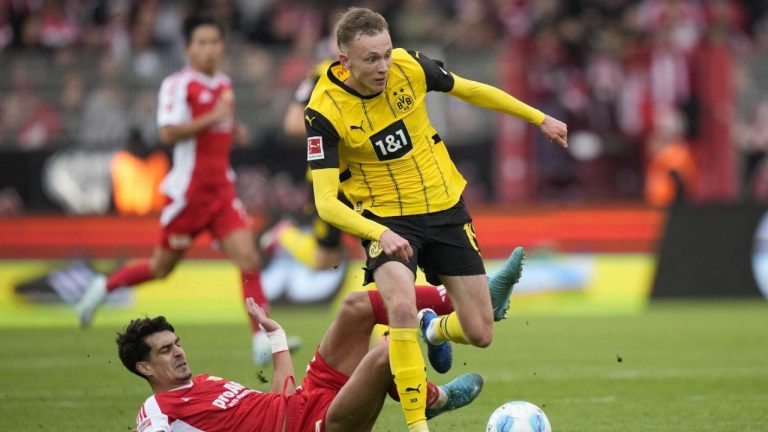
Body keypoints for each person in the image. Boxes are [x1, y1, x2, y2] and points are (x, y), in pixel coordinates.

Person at [304, 7, 567, 431]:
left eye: (386, 54)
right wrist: (378, 232)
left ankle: (435, 329)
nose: (384, 66)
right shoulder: (323, 110)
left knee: (480, 331)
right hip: (385, 218)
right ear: (344, 61)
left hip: (444, 205)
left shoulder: (409, 67)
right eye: (371, 59)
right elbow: (326, 203)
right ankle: (418, 424)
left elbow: (471, 90)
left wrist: (539, 118)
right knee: (401, 308)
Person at [77, 16, 284, 366]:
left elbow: (216, 131)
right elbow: (168, 134)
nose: (208, 49)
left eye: (215, 42)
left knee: (249, 261)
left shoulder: (224, 83)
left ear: (223, 46)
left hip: (221, 192)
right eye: (201, 43)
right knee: (161, 268)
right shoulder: (177, 84)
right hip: (189, 195)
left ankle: (262, 342)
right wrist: (214, 117)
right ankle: (104, 287)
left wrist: (233, 131)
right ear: (188, 47)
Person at [118, 289, 484, 432]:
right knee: (388, 353)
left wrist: (275, 337)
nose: (180, 352)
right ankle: (433, 395)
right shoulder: (160, 410)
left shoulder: (205, 382)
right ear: (144, 368)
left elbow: (278, 395)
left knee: (356, 307)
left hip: (307, 399)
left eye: (177, 344)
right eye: (166, 350)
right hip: (312, 429)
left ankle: (461, 300)